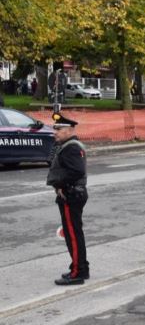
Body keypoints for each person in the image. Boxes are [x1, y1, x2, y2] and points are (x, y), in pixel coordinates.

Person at [46, 112, 89, 285]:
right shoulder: (66, 146)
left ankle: (78, 272)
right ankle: (79, 268)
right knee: (74, 234)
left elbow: (76, 171)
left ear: (70, 130)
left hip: (71, 195)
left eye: (59, 129)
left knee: (73, 235)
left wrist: (61, 185)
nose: (55, 132)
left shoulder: (71, 147)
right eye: (55, 129)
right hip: (72, 194)